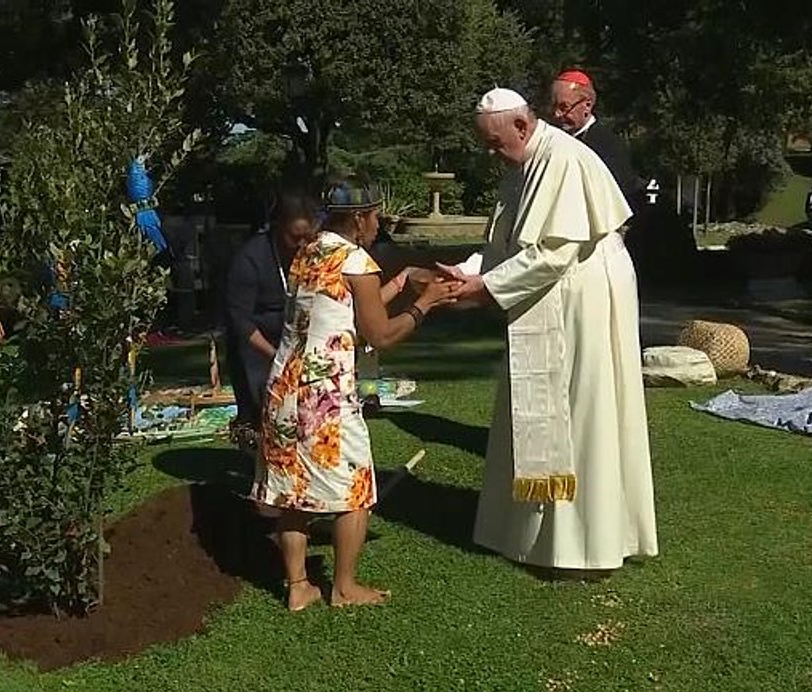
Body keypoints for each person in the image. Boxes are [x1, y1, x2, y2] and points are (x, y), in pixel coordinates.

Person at [437, 88, 658, 573]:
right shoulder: (524, 163)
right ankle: (533, 535)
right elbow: (508, 242)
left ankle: (584, 542)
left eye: (496, 143)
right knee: (550, 407)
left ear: (521, 125)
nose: (492, 154)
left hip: (584, 294)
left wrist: (484, 289)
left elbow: (553, 252)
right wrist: (468, 271)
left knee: (580, 410)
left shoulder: (561, 159)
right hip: (558, 288)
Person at [253, 180, 458, 611]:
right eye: (376, 215)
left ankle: (298, 587)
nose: (378, 223)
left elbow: (346, 314)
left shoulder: (308, 252)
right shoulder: (356, 260)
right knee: (356, 488)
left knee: (293, 490)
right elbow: (380, 334)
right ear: (361, 218)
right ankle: (344, 588)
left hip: (284, 389)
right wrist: (427, 304)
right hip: (325, 396)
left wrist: (401, 280)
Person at [224, 191, 320, 449]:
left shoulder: (312, 255)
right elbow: (240, 322)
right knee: (264, 408)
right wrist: (277, 355)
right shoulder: (249, 259)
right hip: (255, 344)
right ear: (277, 228)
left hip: (292, 338)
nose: (302, 244)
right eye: (294, 237)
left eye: (307, 237)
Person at [550, 69, 639, 206]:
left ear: (587, 105)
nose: (557, 114)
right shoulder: (553, 141)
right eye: (554, 106)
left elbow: (617, 198)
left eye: (564, 107)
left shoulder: (609, 145)